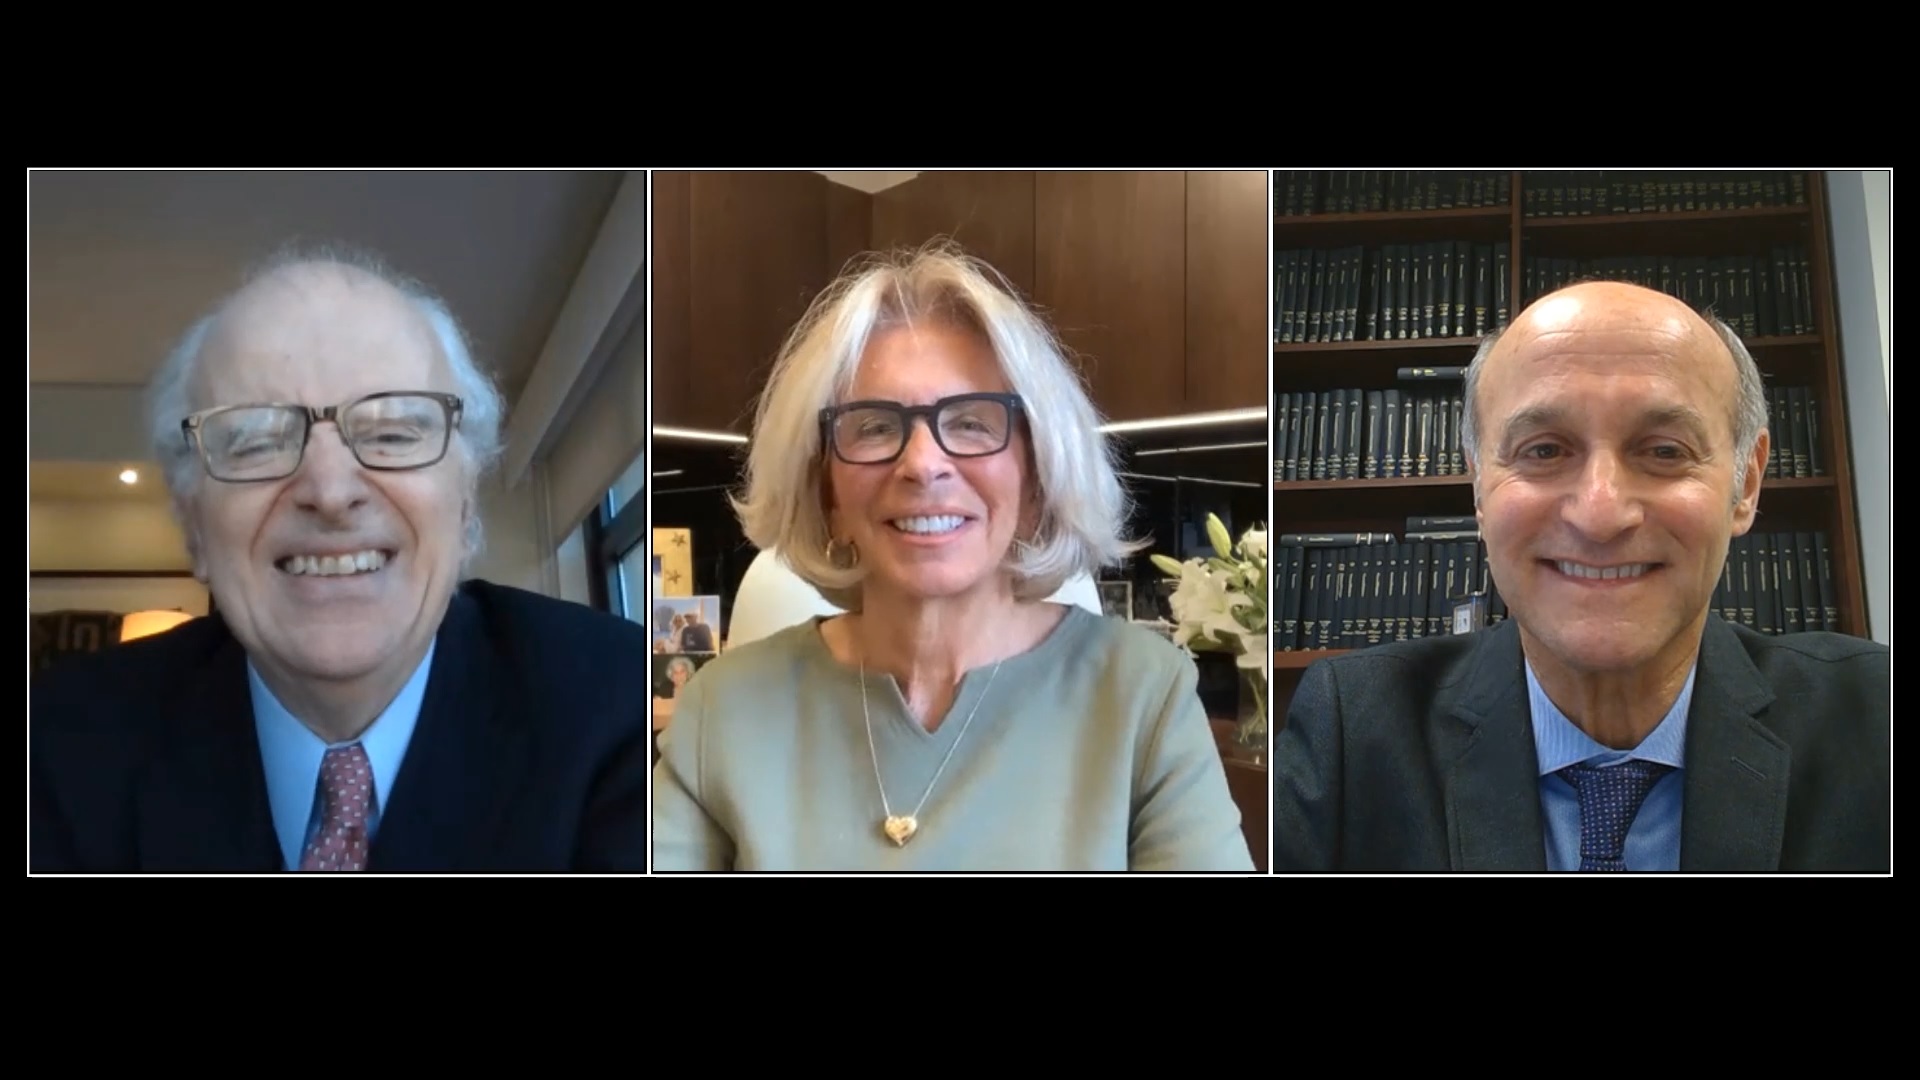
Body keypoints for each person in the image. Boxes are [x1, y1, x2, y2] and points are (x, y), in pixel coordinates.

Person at [29, 246, 651, 873]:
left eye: (392, 434)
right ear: (193, 525)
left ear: (463, 506)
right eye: (256, 441)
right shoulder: (58, 749)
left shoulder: (621, 709)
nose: (330, 492)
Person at [650, 244, 1254, 872]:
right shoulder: (719, 713)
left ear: (1036, 481)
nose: (922, 463)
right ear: (823, 492)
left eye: (970, 421)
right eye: (875, 426)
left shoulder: (1144, 696)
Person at [1273, 280, 1889, 873]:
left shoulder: (1875, 721)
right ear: (1478, 489)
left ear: (1745, 484)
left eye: (1665, 450)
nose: (1600, 514)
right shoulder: (1352, 733)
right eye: (1544, 450)